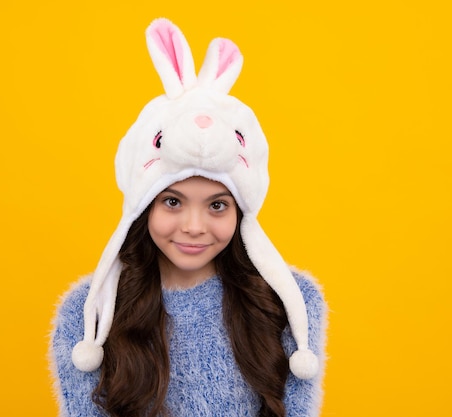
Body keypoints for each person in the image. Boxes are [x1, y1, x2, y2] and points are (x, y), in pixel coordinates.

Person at [49, 18, 327, 417]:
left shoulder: (289, 305)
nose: (194, 226)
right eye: (173, 202)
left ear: (240, 212)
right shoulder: (92, 315)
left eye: (217, 205)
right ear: (144, 204)